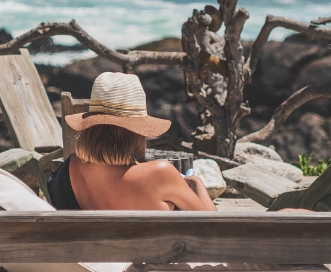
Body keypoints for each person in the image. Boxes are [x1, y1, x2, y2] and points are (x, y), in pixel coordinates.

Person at [47, 72, 216, 211]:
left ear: (91, 127)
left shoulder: (72, 167)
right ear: (137, 131)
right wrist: (196, 183)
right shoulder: (160, 173)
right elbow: (215, 227)